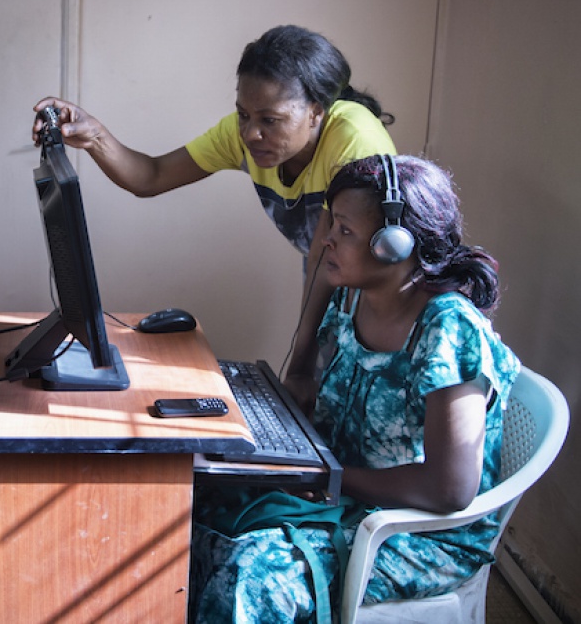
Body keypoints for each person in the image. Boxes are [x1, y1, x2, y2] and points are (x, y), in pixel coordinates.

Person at [189, 155, 521, 623]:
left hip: (417, 533)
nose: (327, 240)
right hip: (340, 492)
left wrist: (328, 477)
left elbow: (449, 490)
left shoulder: (448, 327)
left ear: (395, 243)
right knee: (183, 504)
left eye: (344, 230)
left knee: (251, 572)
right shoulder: (355, 297)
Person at [33, 25, 396, 408]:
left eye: (270, 120)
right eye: (243, 115)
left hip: (384, 294)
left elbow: (326, 259)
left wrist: (301, 367)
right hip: (334, 275)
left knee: (352, 419)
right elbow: (150, 176)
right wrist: (94, 137)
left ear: (316, 112)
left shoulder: (352, 137)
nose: (251, 133)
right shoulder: (243, 135)